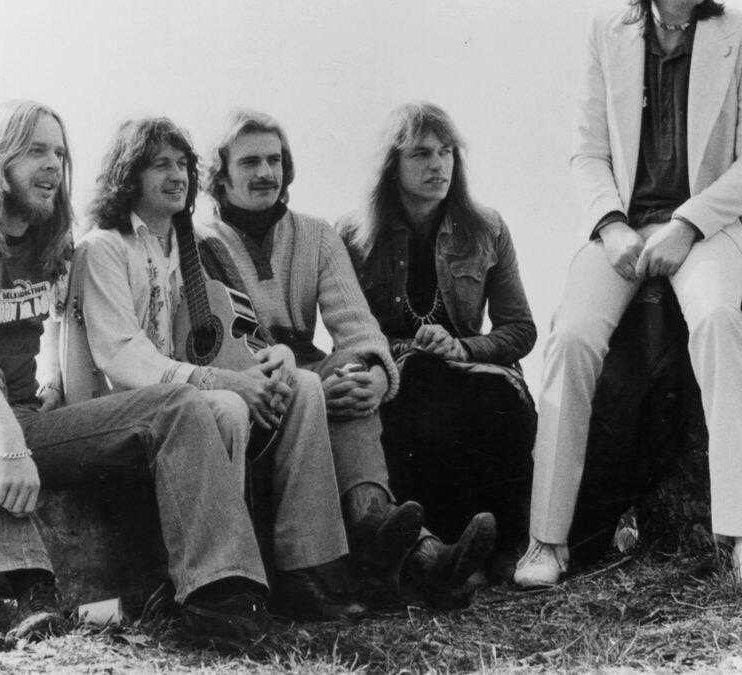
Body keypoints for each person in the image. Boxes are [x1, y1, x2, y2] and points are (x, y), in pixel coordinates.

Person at [0, 100, 283, 651]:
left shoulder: (51, 243)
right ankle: (31, 592)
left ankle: (221, 597)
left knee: (177, 403)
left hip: (21, 425)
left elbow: (61, 332)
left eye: (59, 152)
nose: (53, 164)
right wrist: (9, 440)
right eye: (35, 151)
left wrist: (50, 393)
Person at [515, 0, 742, 589]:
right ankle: (546, 540)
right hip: (619, 229)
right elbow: (587, 152)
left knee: (717, 322)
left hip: (710, 227)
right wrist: (612, 226)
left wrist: (688, 224)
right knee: (571, 338)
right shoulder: (606, 33)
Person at [61, 116, 364, 621]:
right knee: (225, 406)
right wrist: (222, 381)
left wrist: (277, 357)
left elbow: (229, 325)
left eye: (182, 164)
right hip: (115, 413)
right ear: (129, 175)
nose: (177, 175)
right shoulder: (104, 247)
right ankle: (223, 583)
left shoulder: (182, 245)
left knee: (304, 386)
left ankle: (303, 572)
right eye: (161, 165)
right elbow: (121, 356)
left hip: (175, 395)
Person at [198, 109, 496, 608]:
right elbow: (224, 347)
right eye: (249, 162)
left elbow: (356, 325)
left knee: (351, 370)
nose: (266, 173)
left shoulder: (316, 234)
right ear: (221, 175)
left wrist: (377, 374)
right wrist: (308, 388)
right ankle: (423, 555)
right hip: (249, 381)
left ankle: (375, 521)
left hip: (310, 368)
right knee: (324, 382)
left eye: (275, 160)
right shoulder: (199, 244)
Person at [337, 102, 538, 583]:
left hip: (480, 376)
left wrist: (463, 348)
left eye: (447, 152)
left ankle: (504, 546)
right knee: (421, 389)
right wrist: (408, 349)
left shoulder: (487, 228)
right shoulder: (354, 236)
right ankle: (436, 550)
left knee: (493, 399)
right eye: (421, 154)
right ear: (393, 165)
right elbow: (347, 332)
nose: (438, 165)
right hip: (401, 377)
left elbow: (520, 328)